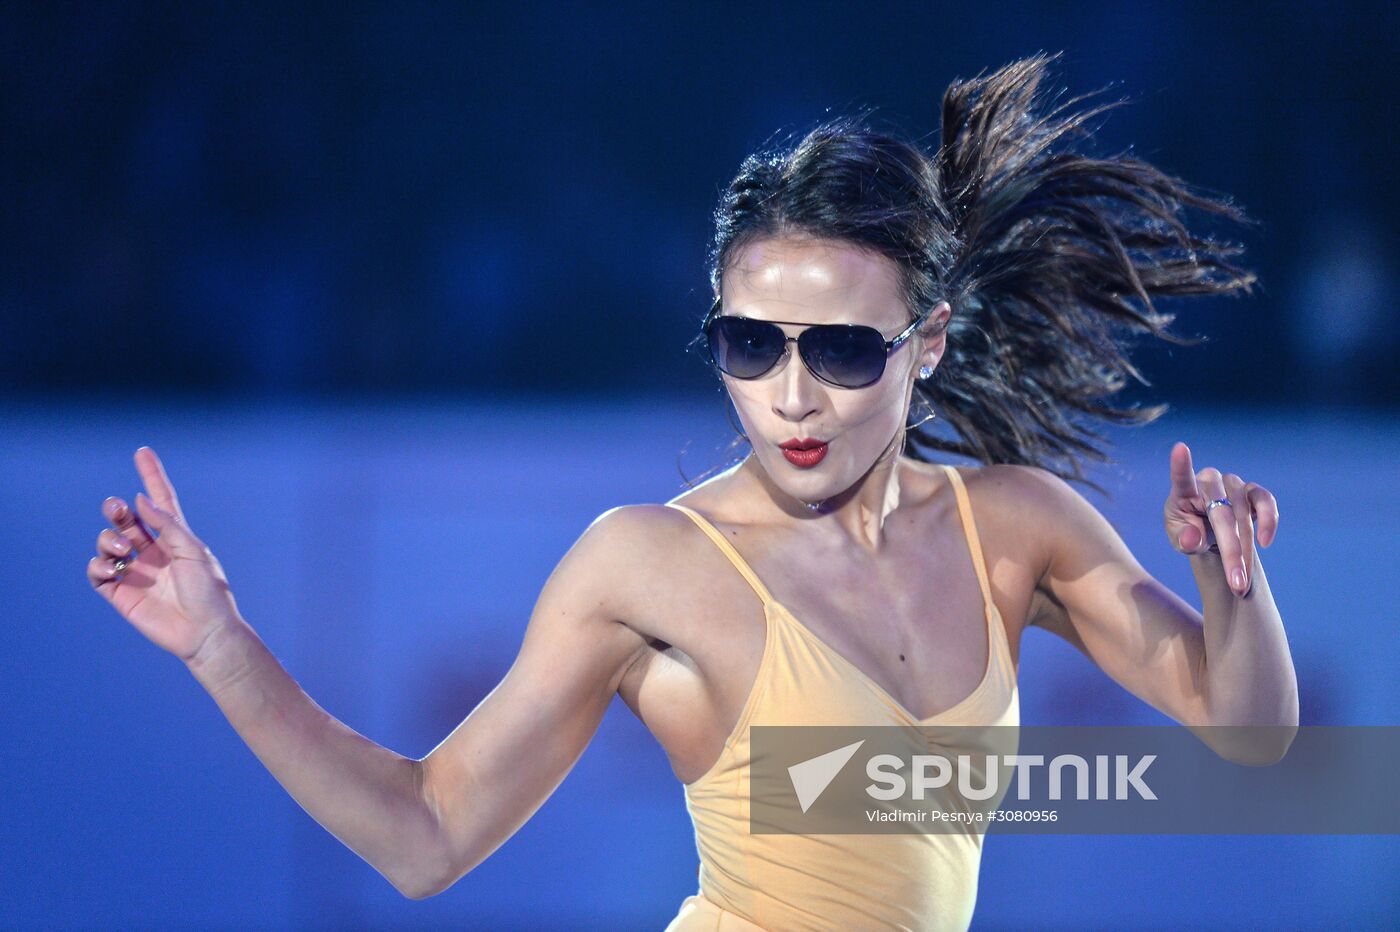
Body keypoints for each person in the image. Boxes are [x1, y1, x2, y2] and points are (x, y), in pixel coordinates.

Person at [87, 52, 1298, 930]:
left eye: (838, 350)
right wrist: (218, 645)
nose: (789, 396)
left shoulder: (1015, 527)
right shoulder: (648, 564)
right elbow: (427, 833)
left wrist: (1233, 590)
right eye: (748, 345)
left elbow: (1253, 732)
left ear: (924, 342)